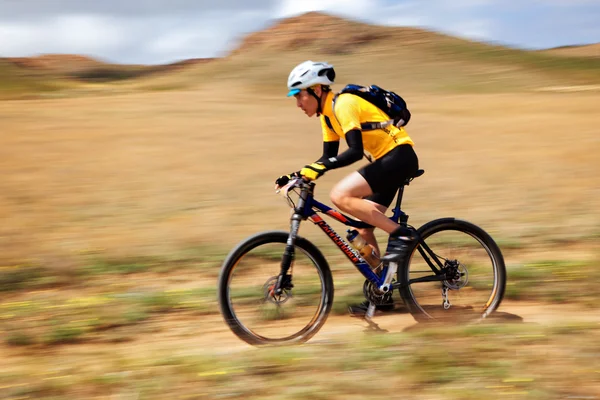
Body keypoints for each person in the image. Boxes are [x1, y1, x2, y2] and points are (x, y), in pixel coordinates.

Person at [276, 60, 419, 316]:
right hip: (385, 161)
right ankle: (382, 291)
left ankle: (401, 235)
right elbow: (326, 158)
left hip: (398, 156)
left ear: (317, 90)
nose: (298, 103)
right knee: (360, 229)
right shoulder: (327, 118)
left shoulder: (344, 104)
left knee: (340, 195)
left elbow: (353, 152)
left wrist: (317, 170)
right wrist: (298, 175)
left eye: (299, 96)